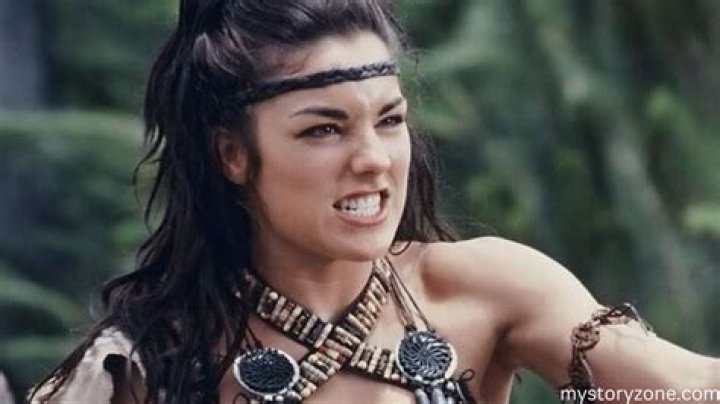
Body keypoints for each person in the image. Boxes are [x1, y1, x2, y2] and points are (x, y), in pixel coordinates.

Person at [30, 1, 718, 403]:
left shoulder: (483, 293)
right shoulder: (152, 364)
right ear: (231, 153)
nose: (374, 159)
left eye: (389, 120)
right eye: (323, 130)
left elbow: (677, 390)